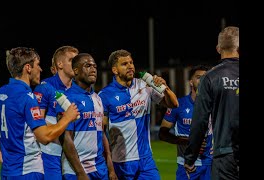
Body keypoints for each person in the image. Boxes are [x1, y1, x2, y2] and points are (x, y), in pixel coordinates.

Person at [0, 47, 79, 179]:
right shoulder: (27, 96)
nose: (41, 69)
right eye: (37, 65)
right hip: (28, 171)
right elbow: (44, 137)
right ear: (28, 68)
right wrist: (67, 118)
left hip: (8, 172)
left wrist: (0, 157)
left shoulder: (0, 93)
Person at [98, 49, 179, 180]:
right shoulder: (104, 95)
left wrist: (165, 88)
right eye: (124, 64)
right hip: (121, 162)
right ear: (115, 70)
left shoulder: (144, 85)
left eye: (131, 62)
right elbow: (100, 132)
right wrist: (109, 166)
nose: (130, 66)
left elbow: (173, 104)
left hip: (146, 160)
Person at [184, 26, 239, 179]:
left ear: (218, 48)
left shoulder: (210, 77)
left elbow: (200, 121)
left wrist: (190, 157)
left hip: (225, 156)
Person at [61, 53, 117, 180]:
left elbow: (101, 133)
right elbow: (65, 138)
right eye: (88, 66)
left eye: (95, 66)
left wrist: (111, 168)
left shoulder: (97, 98)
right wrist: (80, 173)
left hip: (99, 168)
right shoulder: (68, 99)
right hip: (75, 171)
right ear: (75, 71)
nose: (93, 69)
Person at [158, 64, 212, 180]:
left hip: (210, 163)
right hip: (186, 164)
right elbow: (162, 133)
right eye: (198, 77)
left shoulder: (216, 105)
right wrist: (186, 142)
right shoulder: (178, 104)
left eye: (205, 77)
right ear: (191, 82)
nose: (202, 80)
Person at [33, 45, 79, 179]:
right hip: (50, 154)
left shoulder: (79, 89)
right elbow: (36, 125)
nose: (76, 65)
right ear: (60, 64)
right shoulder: (45, 87)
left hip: (74, 155)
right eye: (71, 60)